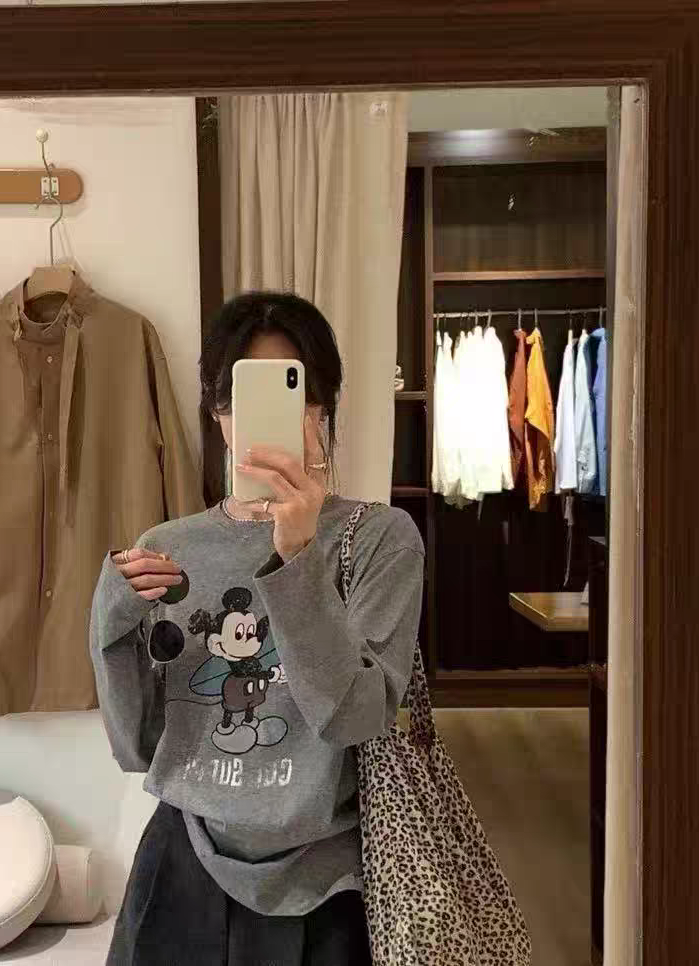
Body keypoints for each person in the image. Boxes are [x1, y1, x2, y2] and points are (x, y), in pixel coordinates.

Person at [90, 292, 424, 966]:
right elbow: (139, 747)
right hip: (182, 865)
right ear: (217, 412)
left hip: (326, 884)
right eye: (241, 393)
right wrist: (110, 624)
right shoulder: (166, 549)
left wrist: (298, 556)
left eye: (292, 388)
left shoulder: (381, 539)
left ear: (323, 407)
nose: (263, 416)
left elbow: (357, 719)